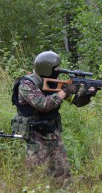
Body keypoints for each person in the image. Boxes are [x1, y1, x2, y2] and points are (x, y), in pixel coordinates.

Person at [11, 50, 96, 185]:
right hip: (35, 132)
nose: (58, 70)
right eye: (55, 68)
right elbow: (43, 104)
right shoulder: (27, 84)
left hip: (52, 131)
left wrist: (88, 93)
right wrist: (65, 91)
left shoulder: (53, 83)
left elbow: (77, 102)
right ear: (46, 67)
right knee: (37, 172)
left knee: (62, 170)